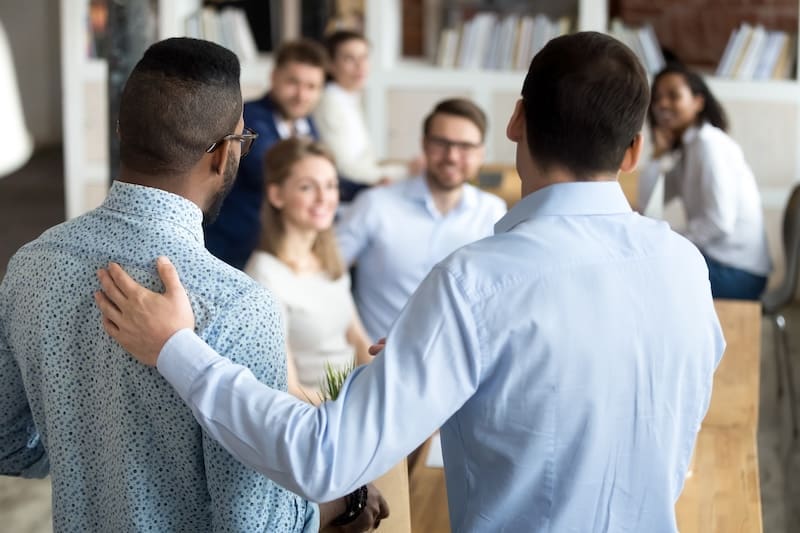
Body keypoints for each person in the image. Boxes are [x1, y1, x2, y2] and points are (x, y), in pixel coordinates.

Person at [95, 32, 726, 532]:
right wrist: (462, 367)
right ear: (634, 151)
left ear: (514, 121)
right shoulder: (686, 267)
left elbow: (323, 459)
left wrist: (176, 348)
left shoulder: (477, 285)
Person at [0, 37, 386, 532]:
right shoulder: (238, 306)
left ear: (123, 132)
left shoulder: (31, 265)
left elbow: (9, 444)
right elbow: (253, 524)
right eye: (244, 141)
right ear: (224, 155)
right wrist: (345, 504)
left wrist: (92, 461)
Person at [336, 97, 506, 342]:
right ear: (424, 145)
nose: (452, 156)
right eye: (442, 143)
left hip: (463, 364)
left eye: (465, 147)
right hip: (379, 362)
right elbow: (324, 273)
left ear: (482, 154)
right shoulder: (375, 204)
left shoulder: (493, 212)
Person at [244, 137, 372, 400]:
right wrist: (354, 412)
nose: (324, 198)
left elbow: (358, 340)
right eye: (307, 187)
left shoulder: (330, 260)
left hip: (354, 400)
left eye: (331, 185)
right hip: (317, 417)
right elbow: (288, 387)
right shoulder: (265, 276)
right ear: (277, 195)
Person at [637, 63, 772, 300]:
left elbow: (720, 222)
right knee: (646, 266)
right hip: (719, 261)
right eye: (657, 98)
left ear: (698, 102)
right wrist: (658, 152)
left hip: (739, 273)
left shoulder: (710, 146)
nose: (662, 104)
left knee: (647, 273)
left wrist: (672, 239)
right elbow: (647, 203)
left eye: (673, 96)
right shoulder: (690, 149)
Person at [205, 39, 327, 270]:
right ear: (274, 77)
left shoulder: (307, 123)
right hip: (234, 250)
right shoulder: (247, 118)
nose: (301, 95)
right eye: (293, 82)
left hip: (276, 247)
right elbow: (277, 170)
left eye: (312, 87)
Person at [313, 30, 417, 201]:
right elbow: (347, 170)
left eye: (364, 57)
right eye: (349, 59)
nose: (360, 66)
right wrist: (407, 171)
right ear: (330, 64)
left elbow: (365, 160)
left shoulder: (348, 97)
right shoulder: (330, 103)